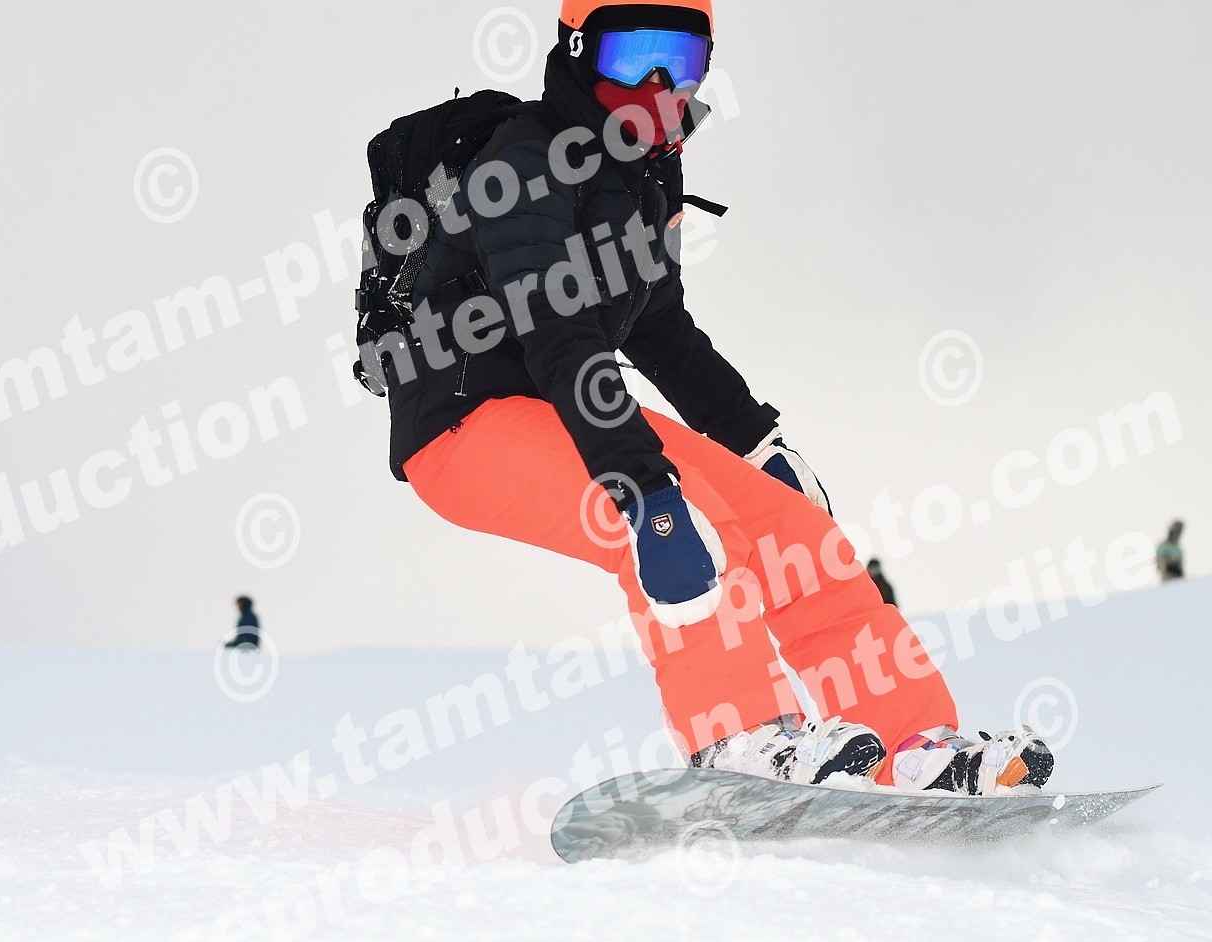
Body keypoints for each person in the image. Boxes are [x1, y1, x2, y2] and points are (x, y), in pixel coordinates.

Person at [374, 0, 1050, 793]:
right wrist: (643, 483)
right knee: (679, 519)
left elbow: (660, 330)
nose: (660, 82)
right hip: (461, 424)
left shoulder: (647, 176)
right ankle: (742, 739)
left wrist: (757, 442)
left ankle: (914, 743)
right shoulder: (523, 163)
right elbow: (558, 331)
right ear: (580, 51)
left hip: (567, 407)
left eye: (684, 59)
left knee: (796, 533)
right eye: (635, 55)